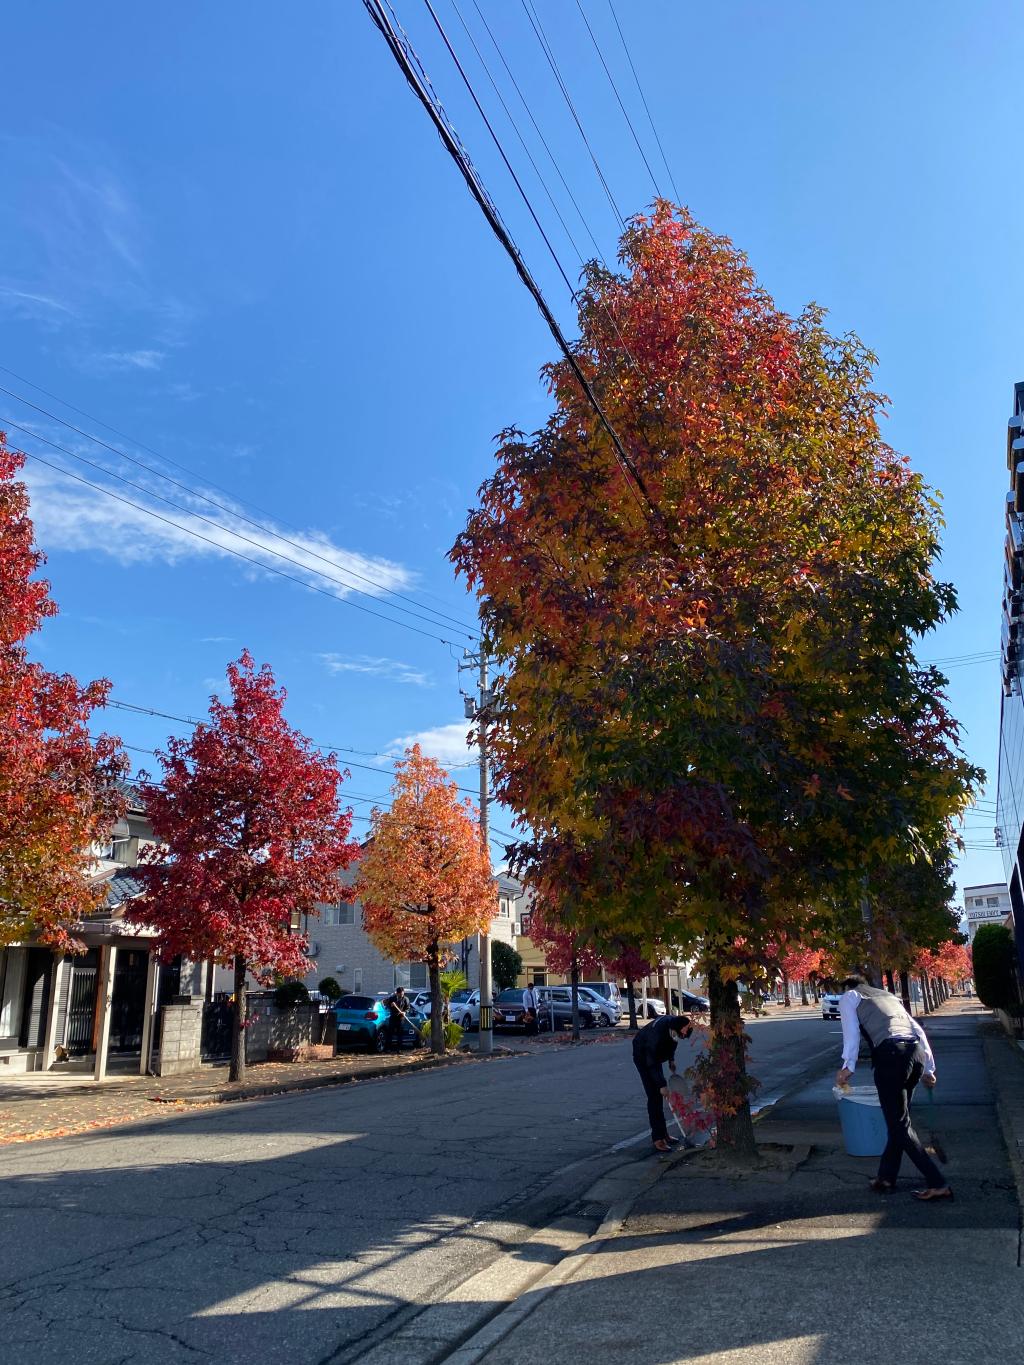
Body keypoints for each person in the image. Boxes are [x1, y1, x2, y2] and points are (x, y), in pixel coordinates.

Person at [835, 974, 952, 1201]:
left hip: (890, 1056)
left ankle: (937, 1182)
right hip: (914, 1054)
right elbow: (917, 1030)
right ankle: (886, 1178)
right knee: (898, 1121)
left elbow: (851, 1033)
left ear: (847, 986)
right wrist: (929, 1069)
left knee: (899, 1125)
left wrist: (847, 1067)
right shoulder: (888, 996)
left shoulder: (850, 996)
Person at [632, 1012, 693, 1152]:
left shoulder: (674, 1027)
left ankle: (664, 1134)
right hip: (643, 1056)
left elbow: (673, 1042)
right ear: (675, 1029)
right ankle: (657, 1138)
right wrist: (661, 1085)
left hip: (655, 1056)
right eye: (682, 1033)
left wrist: (671, 1060)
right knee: (654, 1096)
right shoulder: (656, 1035)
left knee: (659, 1095)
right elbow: (651, 1062)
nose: (682, 1036)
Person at [383, 986, 410, 1053]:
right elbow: (386, 1004)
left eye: (402, 994)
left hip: (401, 1018)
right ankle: (388, 1049)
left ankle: (399, 1049)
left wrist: (405, 1012)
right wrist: (390, 1005)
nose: (401, 995)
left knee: (400, 1034)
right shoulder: (392, 998)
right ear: (397, 993)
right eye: (400, 994)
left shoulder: (406, 999)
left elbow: (408, 1008)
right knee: (390, 1033)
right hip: (393, 1017)